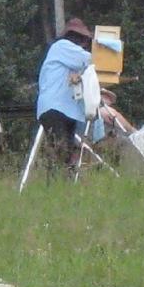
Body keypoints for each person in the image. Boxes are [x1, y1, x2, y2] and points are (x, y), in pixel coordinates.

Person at [34, 17, 96, 180]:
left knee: (65, 153)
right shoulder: (62, 47)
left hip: (64, 109)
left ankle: (62, 185)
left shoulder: (64, 54)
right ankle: (55, 185)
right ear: (79, 39)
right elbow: (90, 60)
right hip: (56, 107)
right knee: (60, 151)